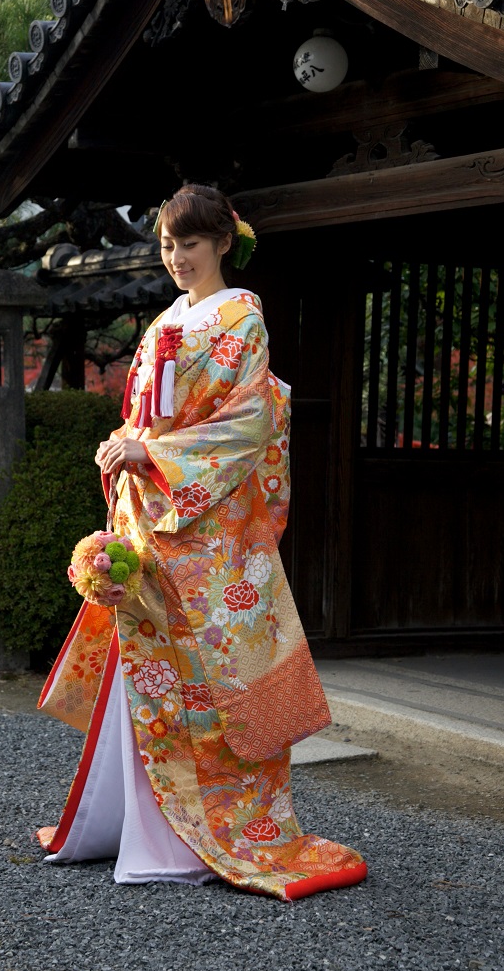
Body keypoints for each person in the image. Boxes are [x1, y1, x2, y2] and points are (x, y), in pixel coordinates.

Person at [37, 184, 367, 900]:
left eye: (190, 243)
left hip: (211, 533)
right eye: (166, 245)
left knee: (217, 682)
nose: (178, 258)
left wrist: (153, 456)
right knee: (150, 671)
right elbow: (144, 414)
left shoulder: (243, 316)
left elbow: (247, 423)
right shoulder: (165, 321)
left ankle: (217, 829)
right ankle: (141, 824)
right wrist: (124, 442)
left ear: (224, 242)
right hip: (152, 521)